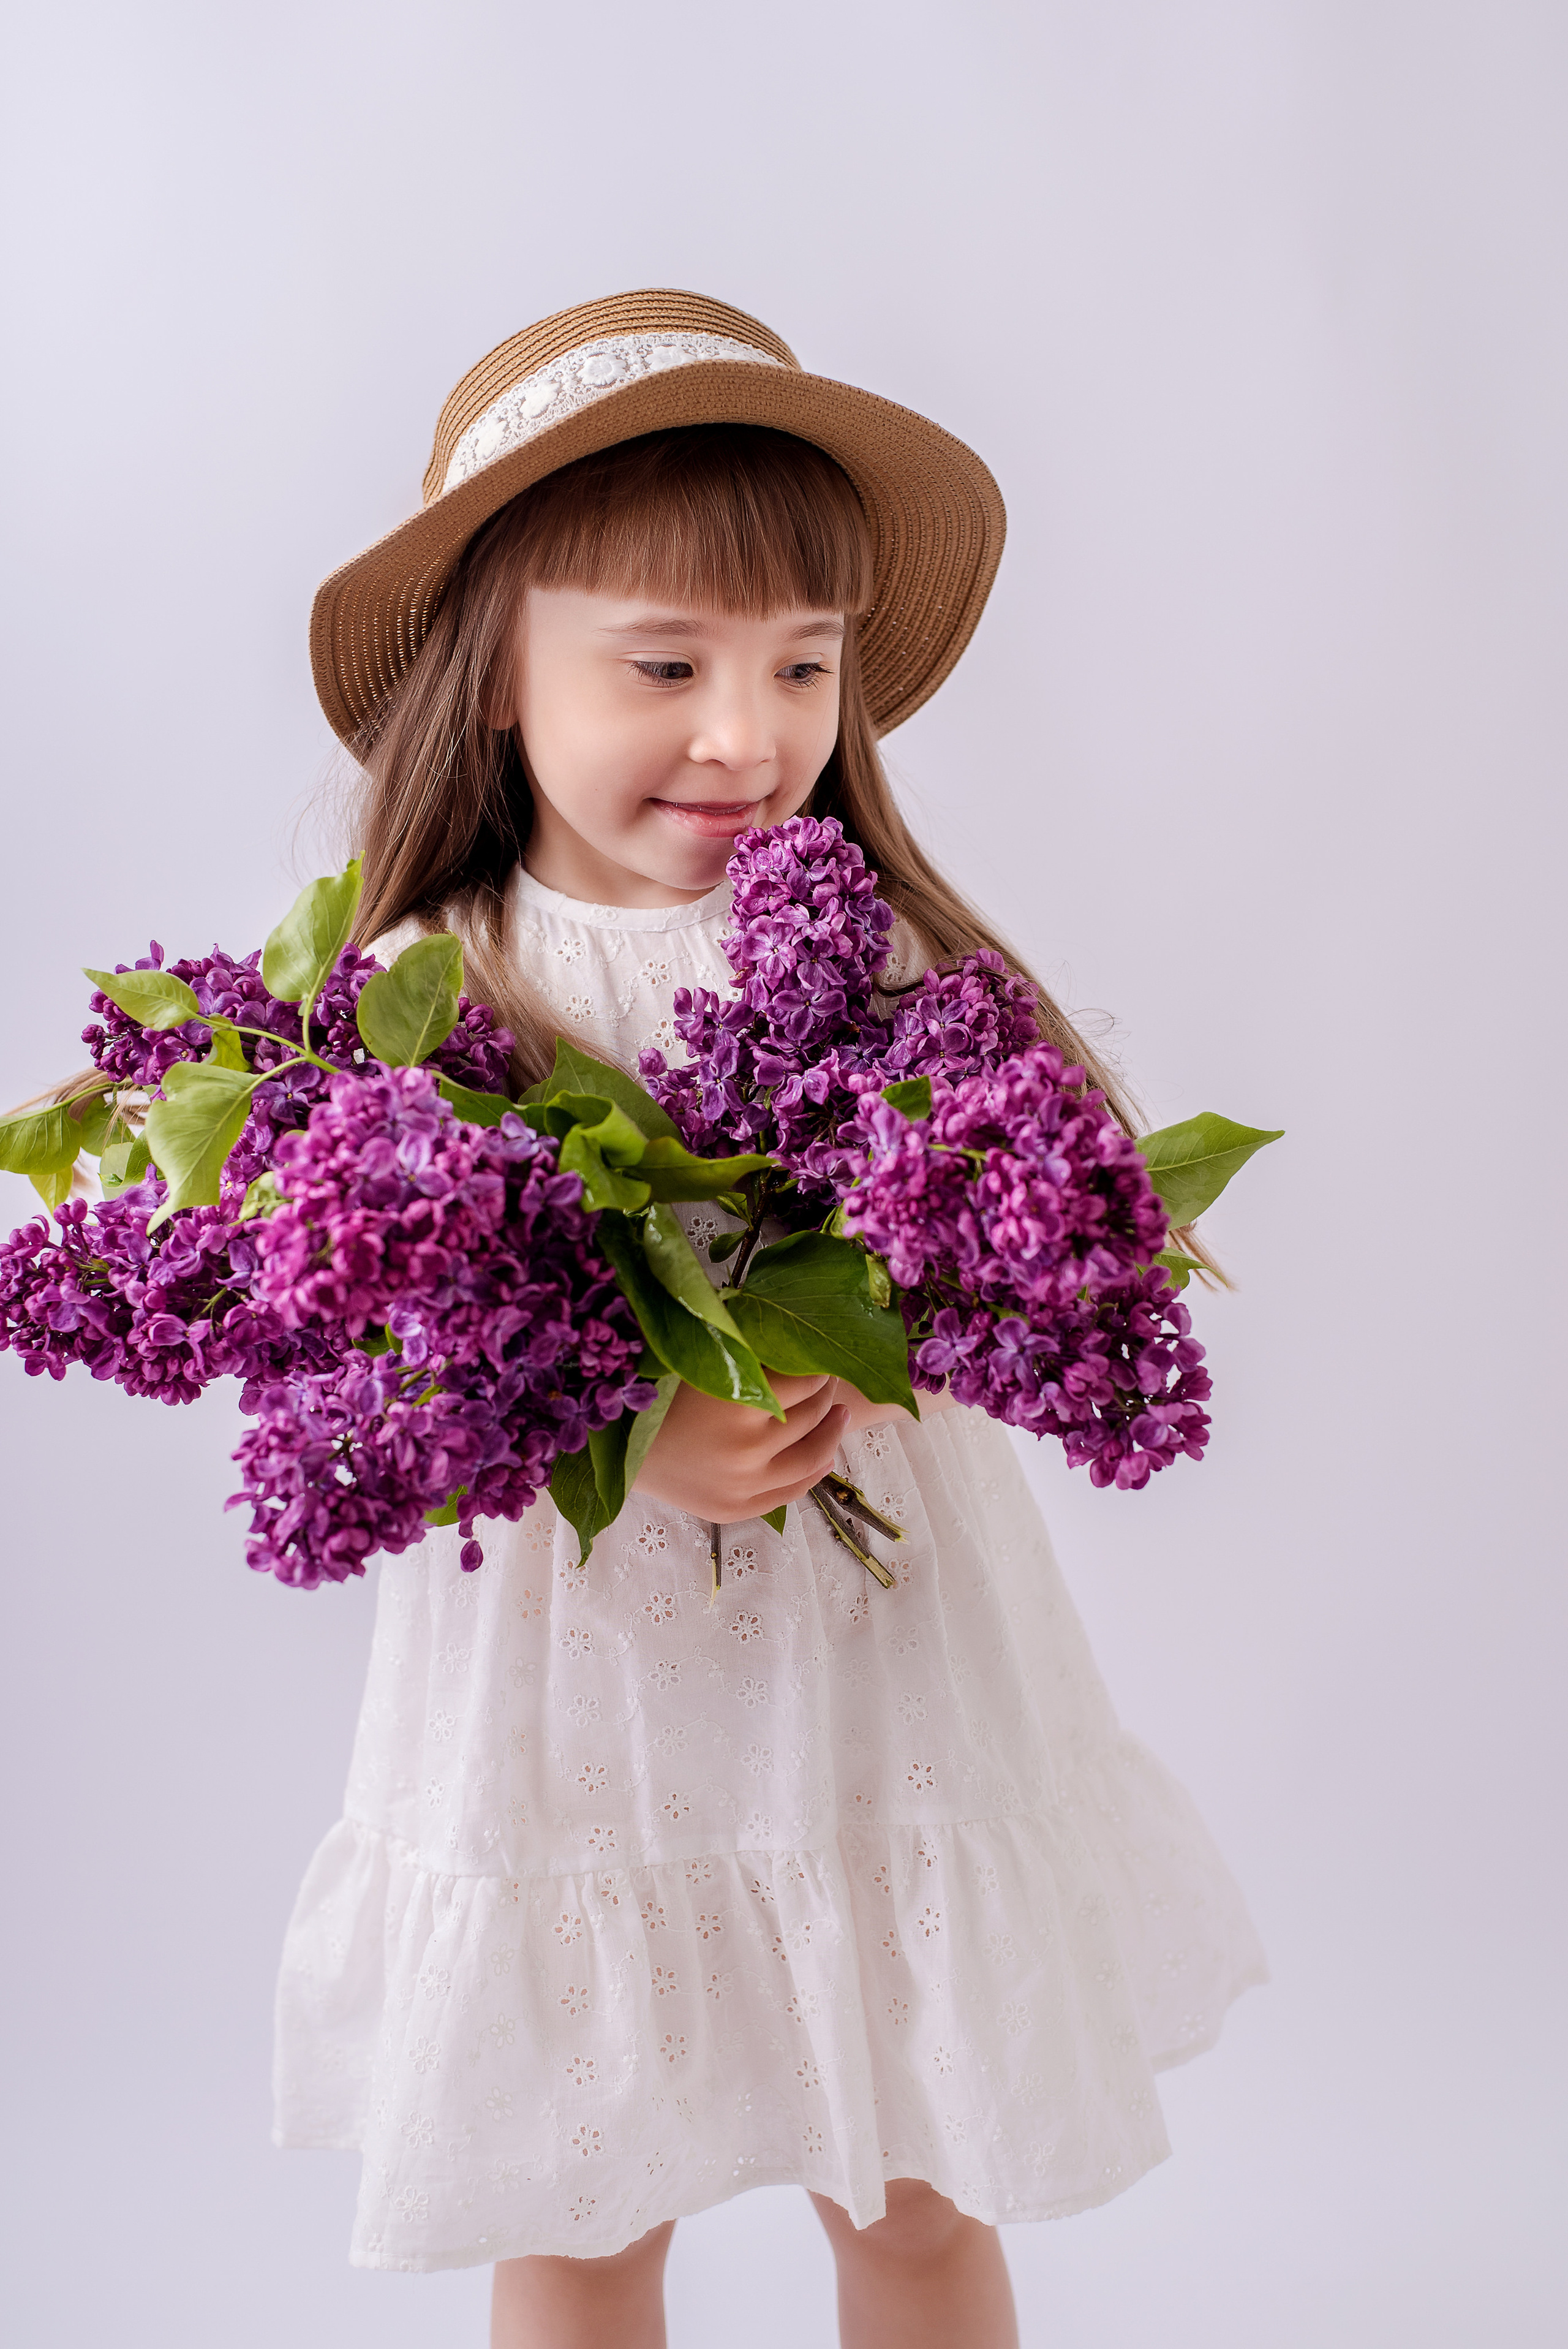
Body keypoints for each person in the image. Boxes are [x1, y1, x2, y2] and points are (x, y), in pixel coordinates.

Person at [276, 289, 1266, 2349]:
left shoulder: (866, 947)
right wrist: (635, 1425)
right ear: (495, 677)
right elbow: (375, 1342)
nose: (752, 733)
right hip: (581, 1705)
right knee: (581, 2207)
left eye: (803, 664)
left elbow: (988, 1232)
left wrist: (894, 1329)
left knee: (911, 2190)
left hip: (871, 1671)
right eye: (667, 665)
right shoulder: (439, 984)